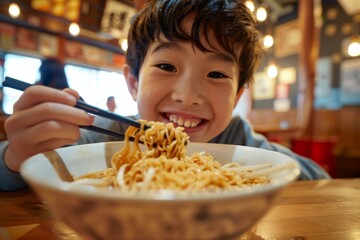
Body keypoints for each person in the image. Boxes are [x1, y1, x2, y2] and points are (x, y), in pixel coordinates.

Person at [0, 0, 330, 191]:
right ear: (133, 83)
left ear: (238, 94)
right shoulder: (105, 138)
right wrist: (15, 160)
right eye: (167, 66)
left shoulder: (239, 141)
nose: (188, 96)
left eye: (216, 74)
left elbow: (318, 180)